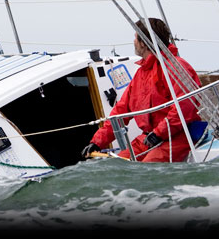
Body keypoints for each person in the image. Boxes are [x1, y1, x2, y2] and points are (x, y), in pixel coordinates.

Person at [82, 18, 204, 163]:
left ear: (143, 43)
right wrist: (97, 142)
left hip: (178, 137)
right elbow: (121, 111)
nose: (133, 42)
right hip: (149, 138)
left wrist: (159, 133)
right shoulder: (141, 74)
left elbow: (184, 107)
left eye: (135, 38)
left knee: (146, 169)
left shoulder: (176, 67)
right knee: (117, 165)